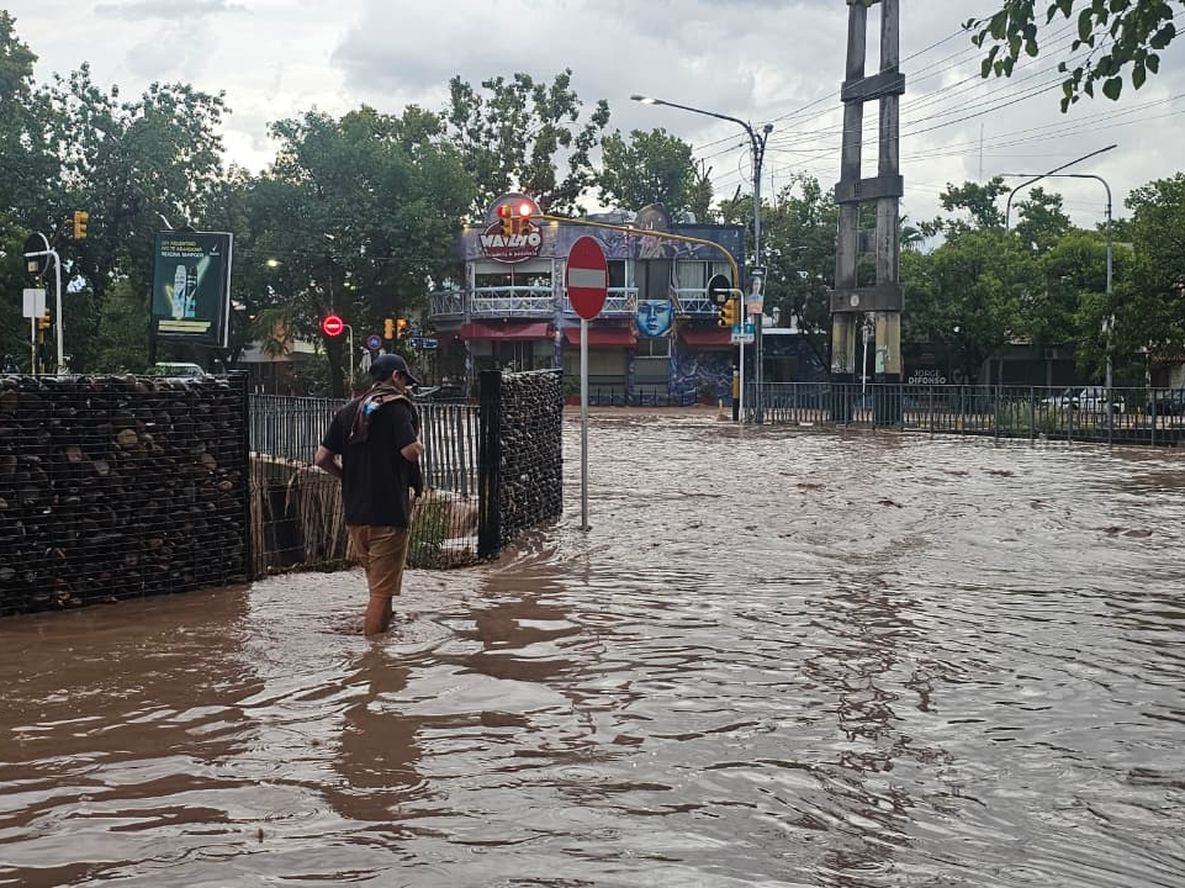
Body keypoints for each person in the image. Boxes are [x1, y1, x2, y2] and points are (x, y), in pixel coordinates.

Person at [314, 353, 425, 636]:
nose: (405, 388)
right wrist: (419, 445)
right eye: (405, 381)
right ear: (396, 377)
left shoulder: (348, 411)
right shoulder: (398, 408)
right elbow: (409, 452)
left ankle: (382, 639)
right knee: (381, 593)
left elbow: (321, 458)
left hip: (356, 515)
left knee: (377, 585)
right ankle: (374, 660)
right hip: (388, 514)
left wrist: (347, 477)